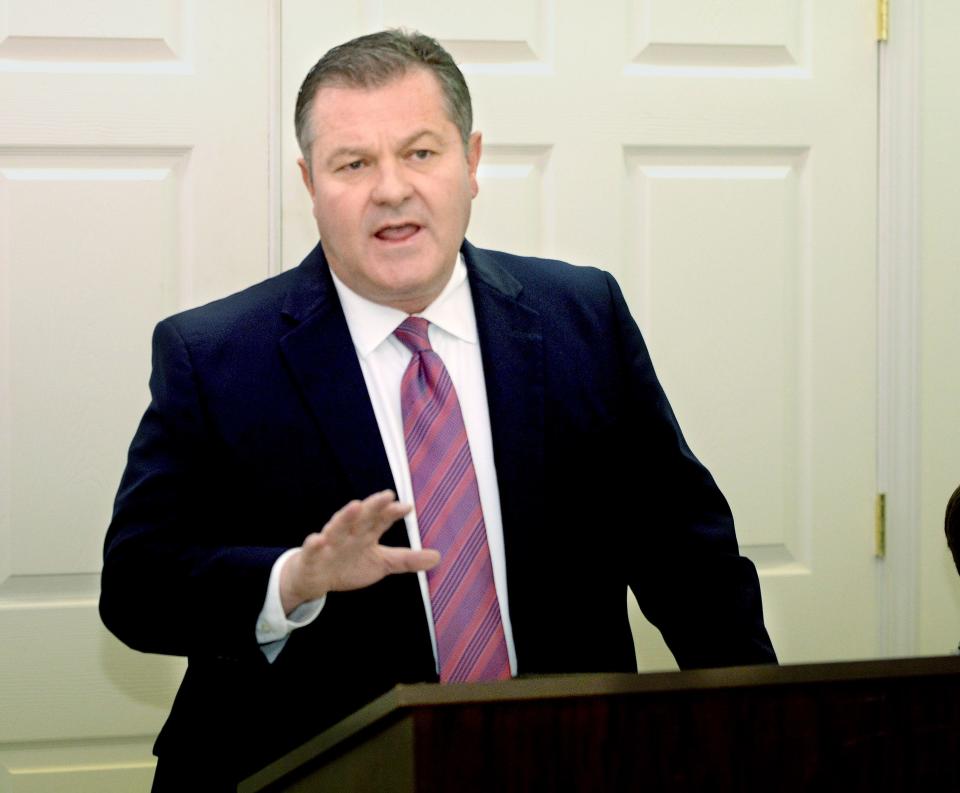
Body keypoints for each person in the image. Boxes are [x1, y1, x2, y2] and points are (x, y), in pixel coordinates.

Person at [100, 28, 776, 790]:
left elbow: (691, 560)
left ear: (472, 161)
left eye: (420, 152)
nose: (391, 188)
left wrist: (761, 734)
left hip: (563, 760)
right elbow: (136, 585)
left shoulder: (581, 316)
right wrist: (292, 579)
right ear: (310, 181)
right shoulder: (215, 356)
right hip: (311, 772)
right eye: (353, 164)